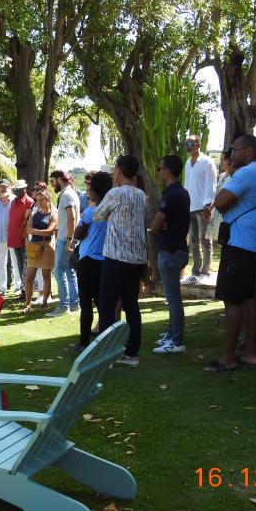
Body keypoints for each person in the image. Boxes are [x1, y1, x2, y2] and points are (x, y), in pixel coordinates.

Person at [204, 134, 256, 372]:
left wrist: (225, 198)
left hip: (240, 244)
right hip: (252, 243)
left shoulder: (248, 172)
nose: (232, 154)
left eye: (236, 150)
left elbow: (220, 202)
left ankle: (228, 358)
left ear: (249, 151)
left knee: (232, 300)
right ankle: (250, 352)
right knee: (248, 297)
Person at [94, 155, 148, 367]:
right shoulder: (141, 195)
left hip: (116, 257)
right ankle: (132, 354)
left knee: (106, 305)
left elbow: (98, 215)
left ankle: (108, 354)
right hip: (136, 258)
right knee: (131, 306)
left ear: (118, 171)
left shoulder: (115, 193)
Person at [66, 170, 111, 353]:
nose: (87, 191)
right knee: (102, 303)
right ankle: (106, 342)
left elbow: (77, 234)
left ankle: (84, 343)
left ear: (96, 192)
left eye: (90, 188)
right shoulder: (111, 212)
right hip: (105, 261)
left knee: (86, 304)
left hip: (88, 261)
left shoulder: (91, 212)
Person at [151, 155, 191, 354]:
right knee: (172, 297)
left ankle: (176, 341)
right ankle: (170, 334)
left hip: (171, 250)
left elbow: (155, 224)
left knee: (173, 298)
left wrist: (160, 226)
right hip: (178, 248)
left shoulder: (171, 194)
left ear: (167, 171)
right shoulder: (181, 192)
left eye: (160, 169)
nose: (158, 173)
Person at [181, 135, 217, 284]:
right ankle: (196, 272)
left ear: (198, 145)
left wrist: (208, 205)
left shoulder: (207, 162)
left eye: (190, 143)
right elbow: (187, 185)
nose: (188, 146)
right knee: (194, 241)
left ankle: (206, 271)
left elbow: (211, 184)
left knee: (205, 240)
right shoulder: (187, 163)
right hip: (190, 206)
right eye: (186, 144)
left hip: (203, 207)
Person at [47, 170, 80, 317]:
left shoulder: (66, 195)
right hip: (70, 238)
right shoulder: (72, 193)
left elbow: (71, 218)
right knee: (69, 271)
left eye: (53, 181)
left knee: (59, 271)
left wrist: (68, 240)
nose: (52, 184)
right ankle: (74, 304)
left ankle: (64, 306)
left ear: (60, 180)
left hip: (66, 239)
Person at [23, 188, 57, 312]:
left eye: (43, 199)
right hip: (34, 248)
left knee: (46, 276)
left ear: (48, 199)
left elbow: (50, 231)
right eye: (38, 200)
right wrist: (35, 231)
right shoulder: (34, 214)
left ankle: (45, 303)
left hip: (47, 248)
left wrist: (35, 231)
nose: (41, 202)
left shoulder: (53, 214)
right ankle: (27, 304)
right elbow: (28, 229)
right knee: (29, 277)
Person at [7, 180, 34, 298]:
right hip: (14, 238)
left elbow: (30, 222)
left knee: (26, 266)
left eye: (19, 189)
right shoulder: (13, 202)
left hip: (25, 239)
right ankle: (23, 290)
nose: (17, 191)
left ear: (25, 189)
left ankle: (27, 290)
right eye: (16, 190)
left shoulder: (29, 202)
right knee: (20, 265)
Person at [208, 149, 233, 244]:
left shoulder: (233, 176)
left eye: (223, 159)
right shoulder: (223, 175)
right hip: (218, 211)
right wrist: (211, 208)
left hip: (227, 212)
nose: (221, 162)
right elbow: (217, 193)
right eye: (220, 159)